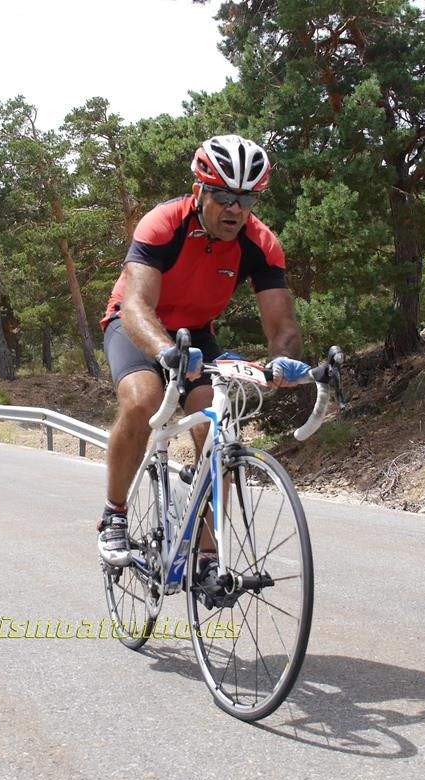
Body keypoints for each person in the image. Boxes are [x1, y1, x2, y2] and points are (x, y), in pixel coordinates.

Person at [96, 134, 311, 572]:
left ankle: (208, 554)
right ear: (199, 191)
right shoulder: (163, 223)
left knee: (217, 424)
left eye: (246, 199)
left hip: (195, 333)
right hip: (136, 323)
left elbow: (282, 326)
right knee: (142, 399)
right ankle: (114, 515)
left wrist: (282, 361)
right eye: (223, 196)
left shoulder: (261, 243)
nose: (235, 209)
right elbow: (136, 305)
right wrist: (164, 351)